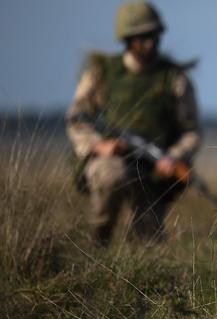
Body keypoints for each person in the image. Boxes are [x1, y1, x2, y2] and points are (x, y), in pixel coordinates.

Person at [66, 1, 200, 245]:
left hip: (154, 168)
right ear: (128, 39)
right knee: (110, 175)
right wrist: (97, 145)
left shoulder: (173, 78)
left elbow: (191, 132)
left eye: (154, 36)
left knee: (148, 244)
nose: (150, 43)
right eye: (142, 37)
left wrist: (173, 156)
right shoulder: (102, 73)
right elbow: (77, 118)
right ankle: (97, 243)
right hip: (111, 160)